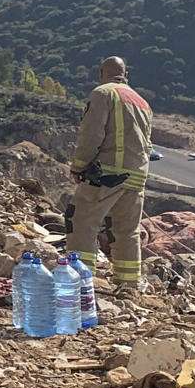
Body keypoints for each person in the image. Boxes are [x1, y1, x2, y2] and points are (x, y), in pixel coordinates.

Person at [67, 56, 152, 291]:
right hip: (136, 177)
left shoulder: (103, 93)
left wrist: (79, 166)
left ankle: (79, 280)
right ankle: (128, 285)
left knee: (82, 222)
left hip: (106, 174)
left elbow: (91, 134)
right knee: (127, 231)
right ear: (126, 75)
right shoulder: (142, 102)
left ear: (101, 74)